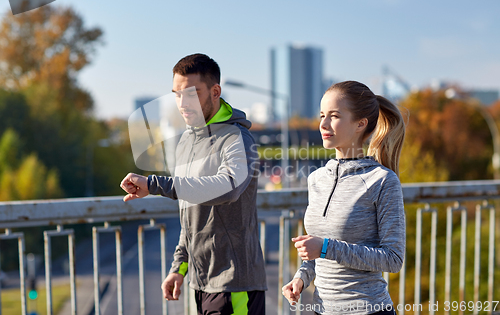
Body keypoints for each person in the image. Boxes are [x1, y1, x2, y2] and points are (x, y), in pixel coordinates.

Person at [120, 54, 267, 314]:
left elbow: (229, 186)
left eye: (191, 94)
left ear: (215, 91)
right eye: (177, 94)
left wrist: (155, 184)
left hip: (235, 285)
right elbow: (191, 216)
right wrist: (179, 267)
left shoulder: (237, 138)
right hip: (201, 283)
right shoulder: (187, 142)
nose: (182, 103)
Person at [282, 81, 406, 315]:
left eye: (334, 116)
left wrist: (326, 248)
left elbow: (393, 259)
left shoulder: (381, 180)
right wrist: (301, 278)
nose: (323, 124)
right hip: (321, 309)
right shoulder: (316, 179)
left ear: (360, 123)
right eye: (321, 116)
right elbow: (317, 249)